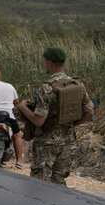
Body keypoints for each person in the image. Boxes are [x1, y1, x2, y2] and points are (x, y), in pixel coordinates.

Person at [17, 47, 94, 185]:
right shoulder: (77, 85)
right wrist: (72, 125)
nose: (43, 64)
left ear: (49, 63)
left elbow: (39, 120)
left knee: (39, 184)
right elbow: (89, 113)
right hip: (67, 141)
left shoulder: (47, 88)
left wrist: (23, 107)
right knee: (58, 181)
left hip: (46, 143)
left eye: (44, 62)